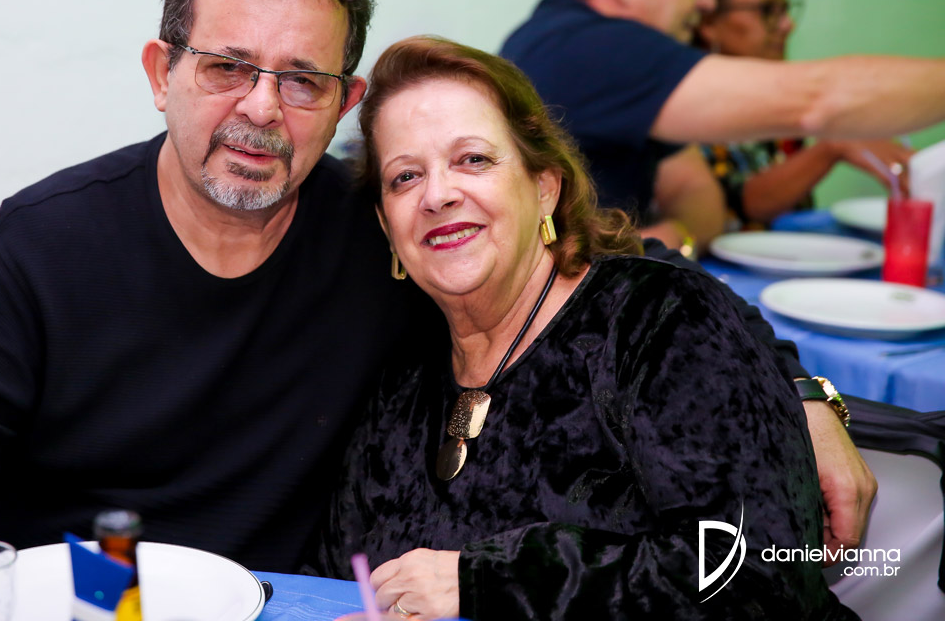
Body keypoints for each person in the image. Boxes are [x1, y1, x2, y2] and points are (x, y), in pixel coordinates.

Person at [0, 0, 447, 620]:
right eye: (228, 67)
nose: (262, 108)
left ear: (344, 103)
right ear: (161, 73)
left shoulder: (384, 246)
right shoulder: (40, 248)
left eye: (302, 80)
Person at [309, 36, 857, 620]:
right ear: (386, 225)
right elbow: (339, 576)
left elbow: (758, 577)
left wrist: (486, 581)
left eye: (473, 159)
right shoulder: (402, 379)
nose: (437, 195)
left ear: (544, 187)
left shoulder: (656, 321)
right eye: (405, 177)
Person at [500, 0, 945, 556]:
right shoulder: (593, 48)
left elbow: (698, 193)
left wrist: (668, 233)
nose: (705, 0)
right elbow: (817, 101)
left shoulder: (575, 47)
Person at [693, 0, 912, 227]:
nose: (788, 24)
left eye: (784, 8)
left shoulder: (776, 95)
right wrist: (834, 145)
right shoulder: (686, 103)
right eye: (768, 9)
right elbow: (738, 204)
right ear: (709, 21)